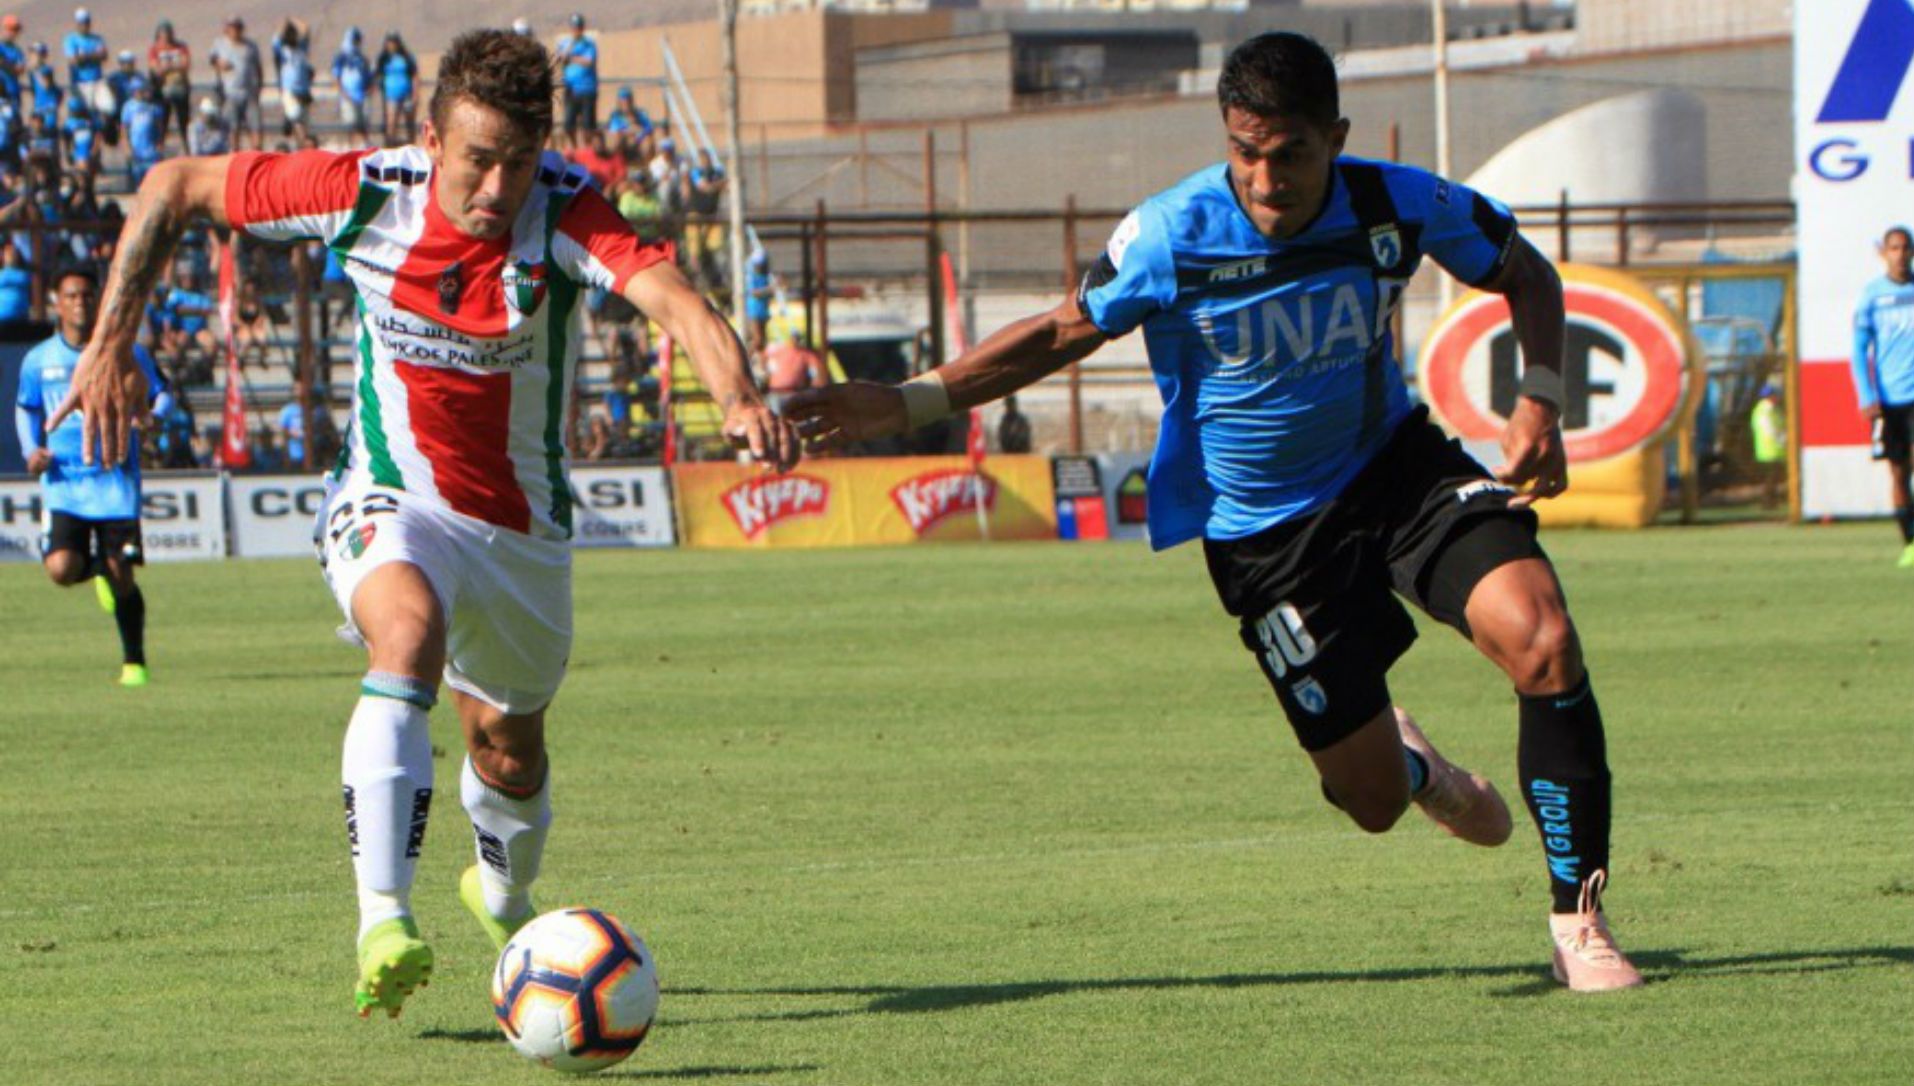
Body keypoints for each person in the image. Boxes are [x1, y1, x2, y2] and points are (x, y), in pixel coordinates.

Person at [790, 32, 1642, 993]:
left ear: (1336, 137)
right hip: (1266, 538)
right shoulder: (1172, 232)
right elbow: (1059, 332)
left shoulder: (1395, 204)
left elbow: (1525, 270)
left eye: (1292, 155)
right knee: (1367, 802)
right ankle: (1417, 771)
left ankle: (1579, 919)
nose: (1267, 178)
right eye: (1246, 152)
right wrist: (902, 403)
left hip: (1397, 472)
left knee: (1543, 640)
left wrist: (1538, 398)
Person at [55, 27, 798, 1020]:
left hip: (521, 535)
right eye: (476, 158)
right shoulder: (365, 190)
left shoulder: (563, 212)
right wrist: (109, 347)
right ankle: (382, 922)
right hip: (390, 494)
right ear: (431, 135)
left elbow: (682, 308)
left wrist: (740, 397)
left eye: (516, 162)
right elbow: (173, 183)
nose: (495, 186)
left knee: (510, 750)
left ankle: (500, 894)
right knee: (404, 634)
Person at [15, 264, 170, 687]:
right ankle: (96, 570)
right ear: (55, 303)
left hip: (114, 480)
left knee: (122, 572)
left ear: (98, 300)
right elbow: (26, 407)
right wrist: (32, 451)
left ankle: (134, 662)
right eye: (70, 295)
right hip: (64, 483)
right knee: (62, 570)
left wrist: (154, 418)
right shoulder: (38, 360)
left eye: (86, 295)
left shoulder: (126, 353)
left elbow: (162, 394)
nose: (79, 302)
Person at [1851, 225, 1914, 567]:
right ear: (1884, 253)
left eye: (1905, 248)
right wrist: (1866, 395)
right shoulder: (1872, 296)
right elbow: (1859, 350)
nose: (1900, 254)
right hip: (1890, 399)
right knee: (1899, 473)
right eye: (1894, 248)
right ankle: (1910, 543)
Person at [209, 16, 263, 152]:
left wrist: (259, 87)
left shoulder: (250, 46)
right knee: (233, 129)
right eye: (232, 27)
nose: (235, 31)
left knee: (255, 127)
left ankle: (257, 155)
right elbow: (212, 60)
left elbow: (258, 67)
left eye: (238, 27)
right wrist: (219, 64)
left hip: (249, 92)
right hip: (230, 93)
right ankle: (235, 155)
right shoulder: (219, 44)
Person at [763, 329, 829, 415]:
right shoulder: (779, 350)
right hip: (776, 392)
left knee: (794, 418)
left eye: (798, 338)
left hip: (795, 393)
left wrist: (814, 389)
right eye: (794, 338)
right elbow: (763, 355)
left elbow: (817, 372)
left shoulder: (806, 355)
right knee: (776, 418)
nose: (796, 340)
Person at [555, 13, 596, 150]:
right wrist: (569, 52)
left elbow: (588, 61)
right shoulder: (565, 43)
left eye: (579, 27)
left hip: (587, 88)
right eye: (574, 27)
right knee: (568, 124)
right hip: (571, 88)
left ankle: (587, 149)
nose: (576, 30)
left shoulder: (589, 44)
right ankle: (574, 147)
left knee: (587, 125)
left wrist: (571, 57)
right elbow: (559, 59)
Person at [147, 21, 191, 146]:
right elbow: (157, 70)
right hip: (163, 90)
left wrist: (167, 66)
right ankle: (160, 147)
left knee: (184, 121)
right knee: (163, 122)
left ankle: (187, 147)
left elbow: (185, 65)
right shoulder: (154, 49)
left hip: (180, 88)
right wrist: (174, 66)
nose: (167, 37)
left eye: (168, 34)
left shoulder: (181, 47)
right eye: (163, 34)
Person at [61, 8, 107, 122]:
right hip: (80, 83)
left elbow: (104, 56)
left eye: (86, 22)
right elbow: (74, 60)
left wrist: (84, 56)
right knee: (83, 113)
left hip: (97, 80)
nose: (85, 25)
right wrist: (94, 56)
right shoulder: (71, 39)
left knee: (107, 108)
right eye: (82, 23)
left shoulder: (97, 38)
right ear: (77, 24)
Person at [273, 19, 314, 144]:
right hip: (289, 89)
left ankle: (302, 145)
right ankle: (301, 143)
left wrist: (294, 20)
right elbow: (276, 34)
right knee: (294, 117)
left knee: (303, 120)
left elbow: (306, 29)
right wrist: (284, 24)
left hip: (303, 90)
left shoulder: (301, 48)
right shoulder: (282, 49)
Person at [330, 28, 372, 144]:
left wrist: (368, 91)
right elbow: (336, 76)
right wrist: (343, 93)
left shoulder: (362, 59)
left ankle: (364, 146)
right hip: (347, 95)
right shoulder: (341, 58)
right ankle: (352, 147)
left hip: (362, 96)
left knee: (363, 123)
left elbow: (368, 77)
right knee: (351, 124)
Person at [121, 81, 166, 187]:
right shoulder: (128, 107)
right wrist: (126, 146)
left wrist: (160, 143)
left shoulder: (154, 107)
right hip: (136, 149)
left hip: (151, 149)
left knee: (153, 179)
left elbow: (160, 127)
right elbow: (124, 129)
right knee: (137, 178)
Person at [376, 32, 417, 146]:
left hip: (406, 94)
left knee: (409, 121)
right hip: (391, 95)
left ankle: (411, 145)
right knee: (391, 122)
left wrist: (415, 94)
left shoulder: (406, 57)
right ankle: (390, 145)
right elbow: (378, 74)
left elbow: (414, 75)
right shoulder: (384, 58)